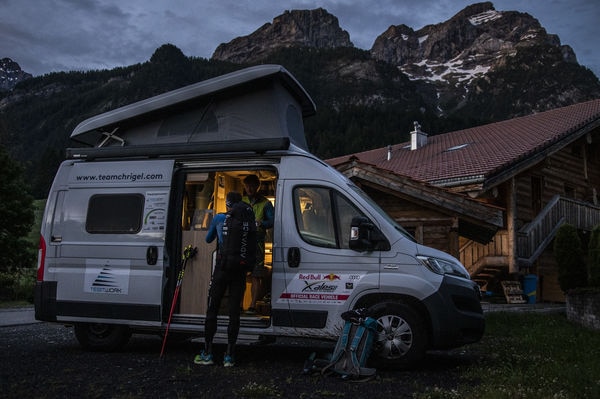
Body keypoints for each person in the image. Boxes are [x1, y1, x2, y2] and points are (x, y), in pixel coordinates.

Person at [194, 191, 251, 368]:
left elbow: (208, 238)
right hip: (239, 271)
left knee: (213, 308)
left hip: (222, 268)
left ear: (227, 204)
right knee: (234, 312)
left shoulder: (220, 218)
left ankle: (207, 352)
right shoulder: (246, 220)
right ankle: (229, 355)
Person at [242, 174, 274, 314]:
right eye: (247, 185)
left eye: (252, 185)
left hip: (258, 246)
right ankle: (238, 305)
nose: (249, 188)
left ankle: (253, 306)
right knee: (240, 276)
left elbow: (272, 222)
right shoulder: (241, 201)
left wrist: (262, 223)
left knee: (256, 276)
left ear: (257, 186)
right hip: (242, 244)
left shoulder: (266, 203)